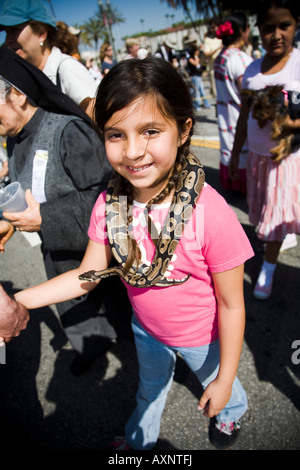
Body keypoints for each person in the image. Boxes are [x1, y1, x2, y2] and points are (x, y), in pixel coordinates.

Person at [5, 57, 254, 450]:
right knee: (149, 388)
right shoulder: (109, 203)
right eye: (115, 134)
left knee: (219, 383)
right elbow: (88, 274)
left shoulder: (210, 212)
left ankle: (233, 409)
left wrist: (224, 379)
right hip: (146, 330)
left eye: (150, 131)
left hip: (199, 337)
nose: (133, 151)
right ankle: (142, 438)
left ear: (184, 129)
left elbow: (231, 304)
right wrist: (16, 302)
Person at [0, 46, 130, 376]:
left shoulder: (67, 130)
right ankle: (93, 346)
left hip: (93, 248)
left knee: (118, 309)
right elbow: (29, 193)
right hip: (57, 250)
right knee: (75, 307)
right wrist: (11, 224)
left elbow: (109, 198)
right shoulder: (13, 137)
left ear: (17, 95)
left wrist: (45, 217)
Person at [229, 0, 300, 300]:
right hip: (260, 160)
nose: (276, 34)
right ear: (257, 30)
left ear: (296, 24)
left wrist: (290, 124)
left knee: (283, 217)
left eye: (284, 25)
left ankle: (268, 268)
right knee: (271, 218)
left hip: (292, 159)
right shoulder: (252, 71)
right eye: (268, 28)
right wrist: (235, 155)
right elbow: (244, 117)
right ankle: (270, 265)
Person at [0, 0, 98, 118]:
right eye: (6, 32)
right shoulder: (26, 78)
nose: (8, 39)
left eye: (14, 30)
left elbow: (98, 119)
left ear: (42, 33)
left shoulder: (67, 69)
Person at [214, 12, 253, 193]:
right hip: (240, 122)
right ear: (244, 30)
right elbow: (249, 96)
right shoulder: (241, 59)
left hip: (226, 119)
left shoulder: (220, 57)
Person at [186, 35, 211, 110]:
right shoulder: (190, 57)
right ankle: (197, 106)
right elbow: (196, 64)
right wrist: (196, 56)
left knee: (202, 91)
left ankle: (206, 104)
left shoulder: (198, 55)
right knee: (196, 91)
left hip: (198, 75)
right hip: (194, 76)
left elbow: (201, 64)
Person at [202, 17, 222, 98]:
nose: (211, 29)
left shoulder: (224, 38)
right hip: (214, 72)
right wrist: (218, 48)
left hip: (225, 70)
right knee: (218, 96)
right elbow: (206, 54)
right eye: (210, 27)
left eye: (213, 27)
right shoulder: (208, 40)